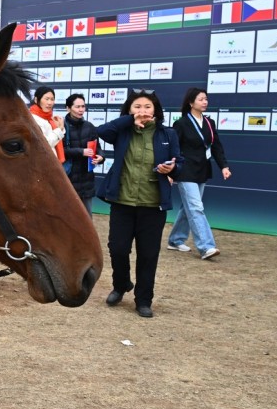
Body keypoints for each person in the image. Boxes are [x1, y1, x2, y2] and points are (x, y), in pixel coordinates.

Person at [95, 89, 181, 318]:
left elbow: (180, 163)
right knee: (118, 249)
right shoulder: (122, 131)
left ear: (156, 110)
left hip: (153, 205)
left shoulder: (168, 134)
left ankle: (143, 300)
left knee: (148, 254)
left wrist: (172, 168)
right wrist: (128, 120)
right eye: (137, 107)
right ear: (129, 110)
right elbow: (101, 131)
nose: (143, 111)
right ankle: (121, 284)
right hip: (122, 202)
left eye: (147, 107)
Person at [166, 87, 231, 261]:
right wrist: (171, 169)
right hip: (185, 170)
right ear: (191, 102)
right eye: (201, 99)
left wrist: (224, 166)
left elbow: (216, 146)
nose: (205, 102)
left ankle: (175, 239)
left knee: (189, 208)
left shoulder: (210, 123)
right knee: (196, 207)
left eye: (206, 99)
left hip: (202, 170)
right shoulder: (181, 124)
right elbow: (174, 148)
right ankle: (206, 246)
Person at [61, 93, 101, 212]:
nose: (81, 110)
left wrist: (101, 157)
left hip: (86, 180)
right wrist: (80, 152)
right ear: (68, 108)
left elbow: (97, 148)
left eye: (83, 106)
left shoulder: (89, 126)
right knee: (68, 217)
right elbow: (59, 151)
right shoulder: (61, 126)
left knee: (86, 220)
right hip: (68, 178)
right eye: (77, 107)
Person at [28, 86, 65, 164]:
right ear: (36, 100)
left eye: (52, 99)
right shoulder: (32, 118)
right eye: (47, 99)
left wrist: (59, 127)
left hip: (52, 163)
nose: (50, 103)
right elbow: (44, 144)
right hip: (41, 164)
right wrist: (59, 129)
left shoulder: (49, 117)